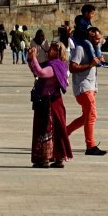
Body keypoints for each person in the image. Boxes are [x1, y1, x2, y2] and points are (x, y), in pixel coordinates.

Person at [27, 40, 72, 168]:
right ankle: (57, 158)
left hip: (49, 102)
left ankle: (45, 158)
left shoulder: (56, 65)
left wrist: (34, 58)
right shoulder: (53, 64)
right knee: (55, 129)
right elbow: (36, 71)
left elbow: (41, 73)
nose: (48, 51)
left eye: (51, 49)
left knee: (46, 129)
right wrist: (31, 59)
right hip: (51, 101)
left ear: (58, 52)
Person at [66, 24, 106, 156]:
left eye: (100, 38)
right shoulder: (80, 48)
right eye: (96, 39)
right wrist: (90, 65)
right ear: (89, 37)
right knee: (92, 115)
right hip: (83, 87)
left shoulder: (93, 50)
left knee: (85, 117)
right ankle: (90, 146)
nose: (98, 41)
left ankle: (64, 133)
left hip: (91, 88)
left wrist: (98, 62)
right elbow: (72, 67)